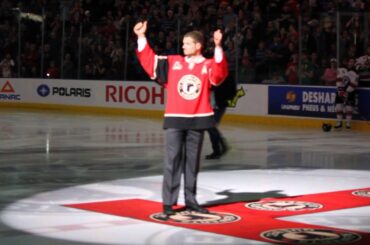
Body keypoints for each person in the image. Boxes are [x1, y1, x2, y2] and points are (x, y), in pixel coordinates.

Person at [133, 21, 228, 215]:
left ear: (198, 46)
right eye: (183, 43)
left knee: (192, 162)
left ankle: (191, 200)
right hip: (175, 118)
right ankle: (168, 203)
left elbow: (219, 74)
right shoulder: (173, 62)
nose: (183, 46)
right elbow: (149, 61)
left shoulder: (208, 65)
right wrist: (141, 37)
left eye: (187, 43)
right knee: (172, 161)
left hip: (198, 118)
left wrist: (218, 46)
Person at [205, 74, 235, 159]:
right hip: (208, 106)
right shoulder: (206, 73)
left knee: (211, 127)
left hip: (218, 105)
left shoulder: (225, 76)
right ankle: (221, 147)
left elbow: (232, 91)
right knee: (211, 128)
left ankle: (219, 149)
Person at [334, 58, 359, 129]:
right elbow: (338, 81)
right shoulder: (341, 69)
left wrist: (347, 92)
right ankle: (339, 123)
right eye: (350, 61)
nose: (351, 63)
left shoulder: (355, 72)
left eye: (353, 62)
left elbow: (354, 84)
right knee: (339, 106)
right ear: (347, 62)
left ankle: (348, 124)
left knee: (349, 108)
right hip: (341, 90)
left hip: (350, 92)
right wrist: (341, 91)